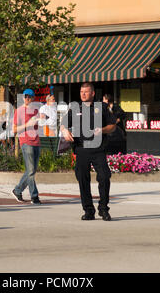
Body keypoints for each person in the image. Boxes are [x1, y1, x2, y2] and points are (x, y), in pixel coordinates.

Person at [60, 83, 116, 221]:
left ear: (92, 93)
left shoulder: (101, 107)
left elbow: (113, 125)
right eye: (81, 91)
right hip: (81, 149)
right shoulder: (75, 108)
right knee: (83, 180)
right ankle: (88, 210)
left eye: (86, 92)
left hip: (98, 149)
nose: (83, 94)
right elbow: (63, 123)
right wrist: (64, 131)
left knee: (104, 177)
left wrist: (102, 130)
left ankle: (103, 209)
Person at [11, 88, 42, 205]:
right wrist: (27, 125)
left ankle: (17, 190)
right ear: (23, 97)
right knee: (30, 171)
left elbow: (39, 123)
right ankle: (34, 196)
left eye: (30, 97)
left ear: (33, 98)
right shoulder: (18, 111)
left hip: (36, 141)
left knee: (32, 171)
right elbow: (14, 129)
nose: (27, 98)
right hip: (25, 141)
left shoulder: (36, 110)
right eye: (25, 96)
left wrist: (43, 120)